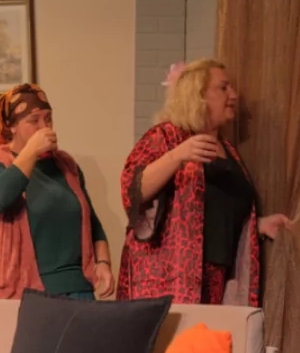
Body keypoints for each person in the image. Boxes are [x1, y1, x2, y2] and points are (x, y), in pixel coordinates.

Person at [118, 58, 290, 306]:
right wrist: (178, 155)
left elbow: (219, 210)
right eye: (223, 87)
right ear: (197, 95)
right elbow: (132, 190)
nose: (233, 95)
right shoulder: (166, 136)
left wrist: (258, 225)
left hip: (218, 275)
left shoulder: (229, 150)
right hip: (168, 278)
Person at [0, 83, 115, 300]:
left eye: (48, 118)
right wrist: (31, 150)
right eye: (34, 120)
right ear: (12, 126)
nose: (44, 126)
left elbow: (91, 223)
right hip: (24, 292)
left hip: (78, 289)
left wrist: (103, 263)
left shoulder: (65, 164)